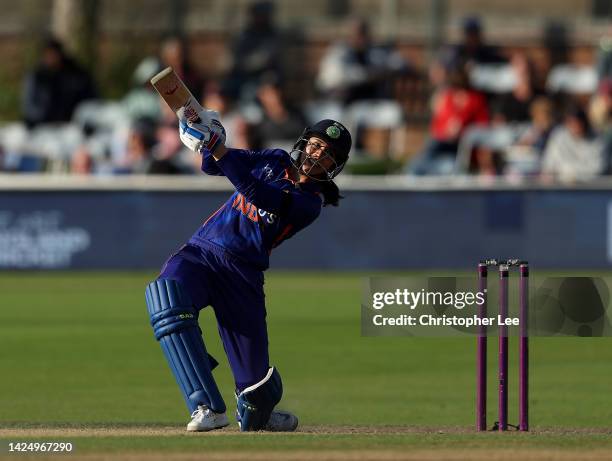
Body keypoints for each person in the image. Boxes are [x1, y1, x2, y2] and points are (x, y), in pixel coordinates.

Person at [145, 109, 351, 432]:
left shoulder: (309, 204)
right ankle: (207, 408)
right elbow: (214, 165)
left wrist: (218, 146)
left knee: (255, 399)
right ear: (304, 143)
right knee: (166, 300)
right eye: (315, 145)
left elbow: (256, 192)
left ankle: (263, 413)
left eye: (328, 155)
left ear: (334, 167)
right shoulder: (276, 159)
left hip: (243, 276)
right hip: (202, 252)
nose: (318, 154)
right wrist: (207, 135)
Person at [22, 37, 97, 128]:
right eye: (48, 54)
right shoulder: (37, 77)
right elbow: (29, 107)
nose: (51, 58)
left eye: (54, 54)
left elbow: (91, 99)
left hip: (73, 124)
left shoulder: (76, 75)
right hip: (44, 125)